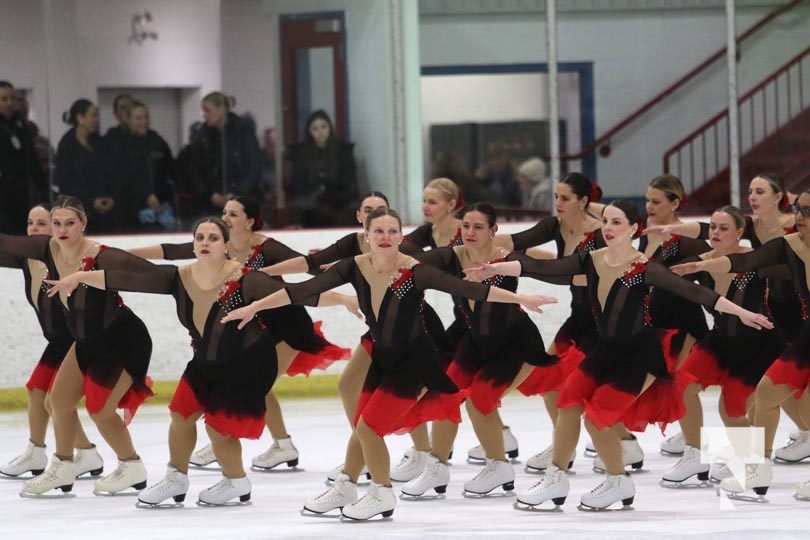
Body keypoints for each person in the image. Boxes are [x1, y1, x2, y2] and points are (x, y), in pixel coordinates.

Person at [222, 207, 556, 520]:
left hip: (414, 361)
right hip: (383, 357)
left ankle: (382, 493)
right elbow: (302, 291)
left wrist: (519, 298)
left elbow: (470, 289)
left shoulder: (414, 271)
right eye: (378, 230)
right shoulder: (353, 266)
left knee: (369, 428)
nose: (385, 236)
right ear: (366, 234)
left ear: (400, 236)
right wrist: (255, 307)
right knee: (361, 425)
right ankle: (346, 486)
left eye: (392, 231)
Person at [467, 200, 772, 510]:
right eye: (606, 222)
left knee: (599, 418)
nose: (609, 228)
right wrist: (495, 268)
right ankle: (556, 478)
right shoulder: (592, 259)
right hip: (605, 351)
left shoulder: (643, 268)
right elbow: (545, 268)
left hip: (638, 356)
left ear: (633, 229)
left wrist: (742, 312)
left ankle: (621, 480)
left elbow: (693, 292)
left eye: (616, 222)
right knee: (567, 403)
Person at [44, 217, 358, 506]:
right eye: (199, 237)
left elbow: (297, 293)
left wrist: (343, 299)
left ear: (225, 246)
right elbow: (131, 278)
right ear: (193, 245)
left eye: (212, 237)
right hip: (205, 362)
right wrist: (82, 276)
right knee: (180, 414)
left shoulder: (245, 280)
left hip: (246, 364)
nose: (205, 242)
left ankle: (236, 481)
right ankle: (175, 478)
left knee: (219, 431)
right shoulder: (178, 277)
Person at [128, 195, 350, 471]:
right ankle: (273, 444)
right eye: (224, 212)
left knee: (257, 386)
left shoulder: (266, 248)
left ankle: (265, 442)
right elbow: (170, 250)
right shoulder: (218, 244)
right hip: (255, 328)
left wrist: (338, 268)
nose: (226, 218)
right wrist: (129, 253)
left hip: (286, 325)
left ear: (249, 221)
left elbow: (307, 265)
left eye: (233, 214)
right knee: (255, 387)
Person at [0, 196, 155, 497]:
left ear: (83, 223)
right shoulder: (48, 249)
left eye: (70, 223)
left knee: (101, 411)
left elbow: (151, 275)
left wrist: (88, 277)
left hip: (123, 340)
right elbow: (6, 242)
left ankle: (132, 465)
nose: (62, 229)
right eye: (56, 223)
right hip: (85, 341)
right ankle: (63, 467)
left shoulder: (101, 255)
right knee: (57, 401)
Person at [400, 203, 557, 498]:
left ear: (493, 231)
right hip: (476, 342)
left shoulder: (507, 259)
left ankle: (499, 466)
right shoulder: (452, 256)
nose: (470, 233)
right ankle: (437, 467)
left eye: (478, 227)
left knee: (478, 402)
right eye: (466, 226)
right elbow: (413, 261)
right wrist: (363, 262)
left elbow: (546, 266)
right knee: (446, 395)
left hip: (514, 343)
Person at [646, 173, 808, 457]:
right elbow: (717, 236)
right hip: (770, 314)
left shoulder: (791, 230)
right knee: (765, 395)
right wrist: (674, 231)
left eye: (760, 191)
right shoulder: (764, 234)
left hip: (785, 317)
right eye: (750, 191)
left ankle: (781, 445)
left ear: (779, 196)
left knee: (782, 396)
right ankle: (749, 462)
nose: (753, 197)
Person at [669, 191, 810, 500]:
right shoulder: (787, 247)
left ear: (740, 231)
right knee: (760, 393)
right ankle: (740, 466)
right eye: (800, 209)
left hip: (759, 346)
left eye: (808, 211)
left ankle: (752, 462)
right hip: (733, 340)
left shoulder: (778, 253)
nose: (800, 216)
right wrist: (695, 266)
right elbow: (741, 261)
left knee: (743, 408)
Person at [491, 172, 606, 472]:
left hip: (604, 321)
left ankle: (619, 448)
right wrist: (477, 238)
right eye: (556, 196)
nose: (557, 203)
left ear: (583, 201)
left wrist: (536, 269)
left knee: (591, 393)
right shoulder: (556, 226)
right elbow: (516, 240)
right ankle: (563, 447)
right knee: (552, 381)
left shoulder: (599, 234)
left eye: (565, 198)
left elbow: (589, 277)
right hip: (578, 318)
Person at [0, 204, 104, 480]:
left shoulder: (64, 260)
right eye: (30, 222)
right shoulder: (26, 259)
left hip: (75, 342)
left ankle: (83, 453)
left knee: (53, 400)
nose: (34, 228)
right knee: (37, 391)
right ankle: (41, 452)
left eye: (42, 223)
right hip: (56, 342)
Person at [184, 92, 262, 214]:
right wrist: (209, 194)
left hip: (243, 203)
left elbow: (254, 168)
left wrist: (238, 193)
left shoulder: (244, 133)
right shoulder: (202, 137)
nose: (204, 116)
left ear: (221, 110)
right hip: (211, 205)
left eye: (207, 111)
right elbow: (194, 170)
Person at [108, 101, 176, 232]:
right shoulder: (119, 146)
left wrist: (160, 198)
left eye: (146, 117)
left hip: (160, 209)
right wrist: (144, 197)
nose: (143, 121)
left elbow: (170, 174)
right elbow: (120, 181)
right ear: (128, 120)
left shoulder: (158, 142)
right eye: (138, 118)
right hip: (130, 214)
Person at [53, 99, 118, 233]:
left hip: (104, 210)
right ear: (80, 118)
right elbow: (66, 180)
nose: (97, 119)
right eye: (93, 115)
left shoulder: (99, 142)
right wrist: (90, 201)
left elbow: (110, 172)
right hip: (79, 211)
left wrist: (110, 196)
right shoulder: (67, 145)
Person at [285, 109, 357, 227]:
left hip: (338, 198)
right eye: (315, 128)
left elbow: (350, 182)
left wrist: (335, 197)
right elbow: (298, 184)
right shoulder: (302, 153)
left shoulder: (343, 150)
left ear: (330, 128)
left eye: (324, 127)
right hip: (311, 199)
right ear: (309, 132)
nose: (320, 132)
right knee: (301, 205)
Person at [0, 81, 47, 234]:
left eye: (12, 99)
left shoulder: (21, 126)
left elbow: (32, 161)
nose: (10, 103)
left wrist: (44, 189)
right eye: (4, 99)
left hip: (22, 195)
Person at [474, 142, 522, 207]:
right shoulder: (481, 177)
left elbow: (517, 203)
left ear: (506, 158)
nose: (494, 161)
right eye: (491, 158)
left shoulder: (514, 178)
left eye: (498, 157)